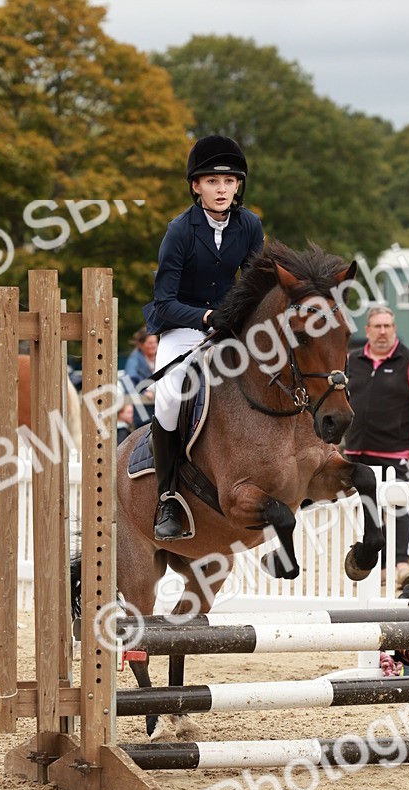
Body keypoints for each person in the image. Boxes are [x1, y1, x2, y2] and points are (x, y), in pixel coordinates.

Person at [142, 135, 264, 540]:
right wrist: (207, 316)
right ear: (196, 186)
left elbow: (256, 284)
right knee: (171, 395)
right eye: (212, 182)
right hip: (182, 328)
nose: (222, 189)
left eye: (229, 182)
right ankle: (167, 498)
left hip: (227, 329)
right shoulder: (179, 231)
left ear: (238, 186)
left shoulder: (249, 226)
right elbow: (163, 303)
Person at [344, 305, 409, 591]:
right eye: (378, 326)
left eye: (388, 326)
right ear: (367, 330)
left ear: (394, 329)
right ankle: (381, 567)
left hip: (396, 452)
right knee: (368, 507)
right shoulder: (351, 361)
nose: (383, 331)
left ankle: (401, 565)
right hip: (358, 451)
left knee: (397, 506)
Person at [122, 327, 158, 429]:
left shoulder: (160, 356)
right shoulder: (134, 359)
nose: (154, 346)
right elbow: (128, 381)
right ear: (142, 345)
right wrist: (143, 392)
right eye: (150, 343)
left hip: (159, 407)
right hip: (142, 410)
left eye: (155, 342)